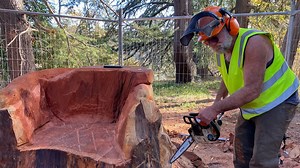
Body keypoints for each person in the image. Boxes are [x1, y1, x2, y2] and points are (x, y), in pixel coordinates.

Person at [180, 6, 299, 168]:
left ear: (231, 26)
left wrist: (215, 109)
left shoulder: (254, 42)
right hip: (252, 105)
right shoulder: (223, 49)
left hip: (278, 101)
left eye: (214, 38)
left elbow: (252, 90)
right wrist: (218, 102)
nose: (211, 44)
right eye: (207, 41)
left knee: (262, 161)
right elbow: (229, 75)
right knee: (241, 157)